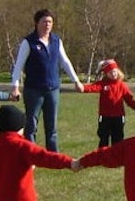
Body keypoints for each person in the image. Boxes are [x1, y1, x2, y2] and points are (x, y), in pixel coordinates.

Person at [11, 9, 86, 152]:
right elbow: (19, 65)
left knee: (52, 126)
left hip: (52, 89)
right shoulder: (28, 42)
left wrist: (76, 80)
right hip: (33, 90)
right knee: (31, 125)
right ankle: (31, 155)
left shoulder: (56, 41)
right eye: (44, 21)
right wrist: (15, 87)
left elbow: (65, 61)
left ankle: (53, 156)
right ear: (36, 23)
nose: (47, 25)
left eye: (50, 22)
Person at [82, 58, 135, 148]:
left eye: (114, 72)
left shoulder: (122, 85)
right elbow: (92, 87)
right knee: (103, 137)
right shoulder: (103, 84)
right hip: (105, 116)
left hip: (118, 117)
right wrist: (82, 87)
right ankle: (101, 156)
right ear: (106, 74)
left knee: (118, 138)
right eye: (110, 72)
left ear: (118, 71)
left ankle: (117, 157)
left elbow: (129, 99)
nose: (113, 74)